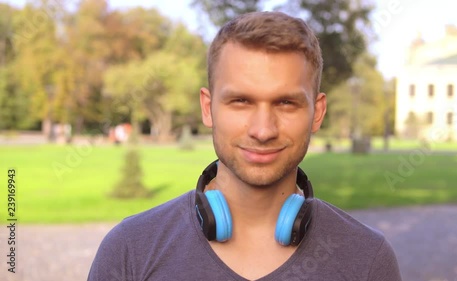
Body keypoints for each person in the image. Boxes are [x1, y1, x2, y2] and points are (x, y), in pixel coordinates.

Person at [88, 11, 402, 281]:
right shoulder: (130, 250)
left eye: (286, 103)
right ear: (208, 108)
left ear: (317, 113)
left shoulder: (367, 260)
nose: (263, 130)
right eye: (241, 101)